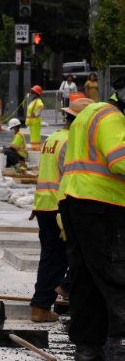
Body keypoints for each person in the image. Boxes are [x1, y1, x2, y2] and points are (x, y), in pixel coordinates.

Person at [58, 75, 125, 360]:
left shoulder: (90, 113)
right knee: (116, 273)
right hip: (103, 203)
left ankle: (88, 345)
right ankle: (120, 340)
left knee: (85, 276)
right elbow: (120, 160)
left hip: (75, 202)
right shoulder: (112, 118)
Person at [29, 98, 94, 323]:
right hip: (59, 207)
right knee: (60, 258)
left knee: (51, 256)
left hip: (44, 205)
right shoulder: (71, 143)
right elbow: (70, 178)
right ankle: (43, 304)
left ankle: (47, 299)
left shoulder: (53, 138)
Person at [27, 85, 45, 151]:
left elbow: (41, 106)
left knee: (35, 137)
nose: (31, 94)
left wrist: (36, 114)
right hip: (33, 122)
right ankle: (34, 148)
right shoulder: (34, 101)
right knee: (33, 137)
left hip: (35, 122)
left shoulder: (38, 101)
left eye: (33, 92)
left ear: (36, 93)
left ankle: (36, 149)